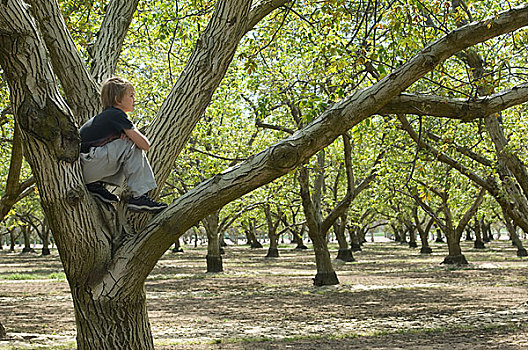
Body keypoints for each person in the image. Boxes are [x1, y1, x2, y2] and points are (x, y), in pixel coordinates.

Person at [79, 76, 167, 213]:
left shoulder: (108, 117)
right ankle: (139, 196)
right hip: (87, 164)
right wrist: (132, 135)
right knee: (132, 145)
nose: (134, 100)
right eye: (131, 96)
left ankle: (95, 186)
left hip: (85, 169)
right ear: (117, 99)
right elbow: (145, 145)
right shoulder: (116, 115)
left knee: (126, 143)